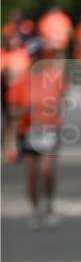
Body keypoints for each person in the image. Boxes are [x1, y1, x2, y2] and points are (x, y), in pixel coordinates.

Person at [6, 38, 67, 229]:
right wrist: (26, 110)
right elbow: (12, 113)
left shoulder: (55, 78)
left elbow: (61, 101)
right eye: (33, 55)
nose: (36, 59)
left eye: (40, 55)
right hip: (28, 131)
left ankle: (48, 204)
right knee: (32, 175)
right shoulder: (20, 82)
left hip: (49, 129)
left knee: (47, 171)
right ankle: (35, 209)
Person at [1, 31, 30, 163]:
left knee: (23, 121)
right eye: (11, 39)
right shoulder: (4, 54)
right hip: (8, 92)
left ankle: (22, 147)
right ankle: (9, 149)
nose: (13, 42)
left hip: (23, 93)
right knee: (10, 121)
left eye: (15, 39)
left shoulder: (25, 54)